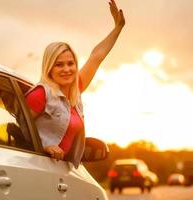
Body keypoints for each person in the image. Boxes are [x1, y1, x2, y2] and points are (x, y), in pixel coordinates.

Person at [25, 0, 125, 168]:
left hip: (62, 170)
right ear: (49, 67)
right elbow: (21, 130)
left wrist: (118, 28)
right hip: (40, 167)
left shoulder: (75, 89)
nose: (66, 69)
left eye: (70, 63)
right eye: (59, 64)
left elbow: (96, 56)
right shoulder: (41, 94)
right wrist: (45, 146)